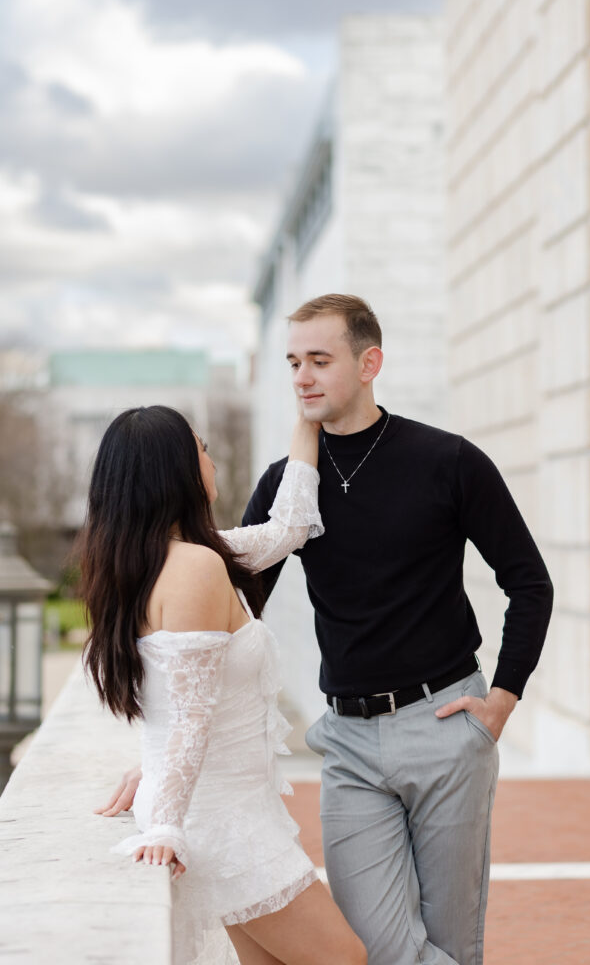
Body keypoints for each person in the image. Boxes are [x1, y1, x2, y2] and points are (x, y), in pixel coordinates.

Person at [238, 294, 554, 965]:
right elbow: (238, 608)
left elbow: (529, 582)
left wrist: (502, 699)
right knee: (374, 946)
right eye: (293, 362)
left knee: (451, 942)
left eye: (319, 360)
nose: (302, 377)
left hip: (444, 724)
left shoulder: (448, 460)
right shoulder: (286, 485)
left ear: (369, 363)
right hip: (347, 741)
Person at [83, 405, 366, 965]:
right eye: (203, 450)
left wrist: (307, 422)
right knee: (345, 957)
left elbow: (288, 529)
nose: (212, 462)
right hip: (219, 822)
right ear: (175, 472)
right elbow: (189, 717)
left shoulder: (165, 560)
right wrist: (165, 826)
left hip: (231, 809)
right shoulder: (195, 569)